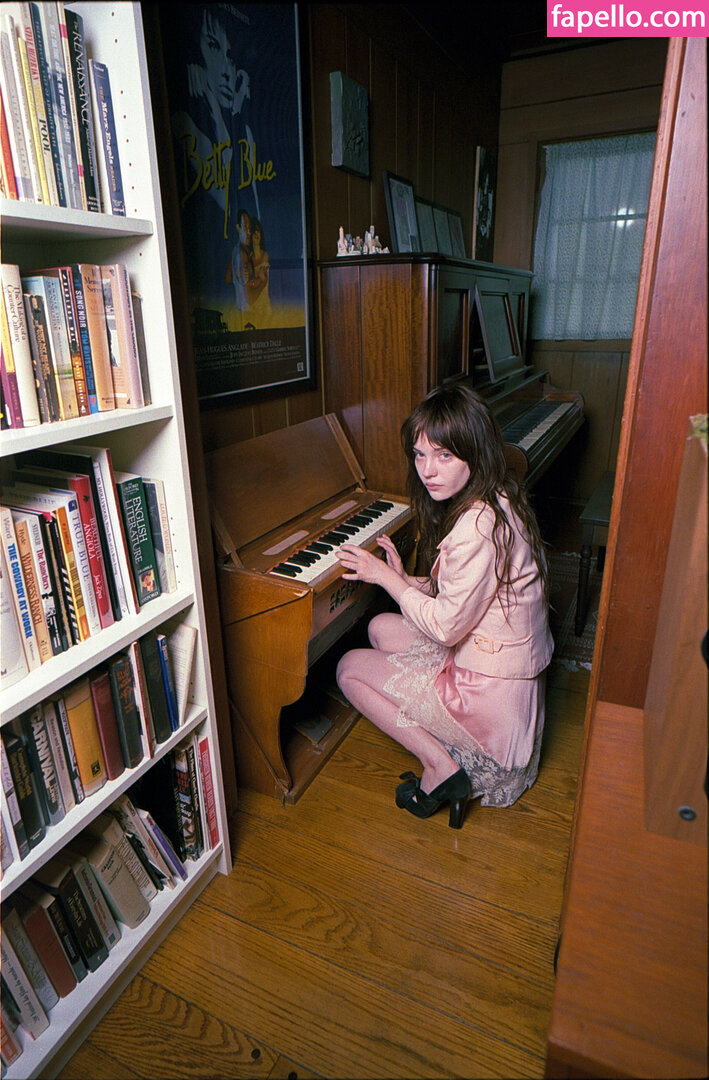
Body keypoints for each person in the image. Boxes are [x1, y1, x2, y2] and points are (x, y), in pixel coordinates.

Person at [335, 383, 553, 829]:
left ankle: (441, 768)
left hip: (491, 702)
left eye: (444, 456)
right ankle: (440, 744)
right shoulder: (500, 496)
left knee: (348, 669)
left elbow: (448, 627)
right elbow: (471, 593)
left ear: (473, 452)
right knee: (379, 627)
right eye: (419, 455)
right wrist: (407, 579)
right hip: (499, 671)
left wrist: (385, 578)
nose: (427, 471)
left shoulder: (478, 527)